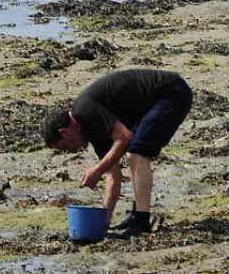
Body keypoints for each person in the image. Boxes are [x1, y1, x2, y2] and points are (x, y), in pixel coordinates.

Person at [41, 69, 193, 236]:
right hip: (151, 104)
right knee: (134, 152)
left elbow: (124, 137)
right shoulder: (93, 132)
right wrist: (103, 224)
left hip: (171, 92)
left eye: (65, 147)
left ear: (65, 132)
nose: (70, 151)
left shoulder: (84, 110)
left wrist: (97, 170)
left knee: (136, 153)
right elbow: (113, 176)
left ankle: (141, 221)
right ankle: (137, 215)